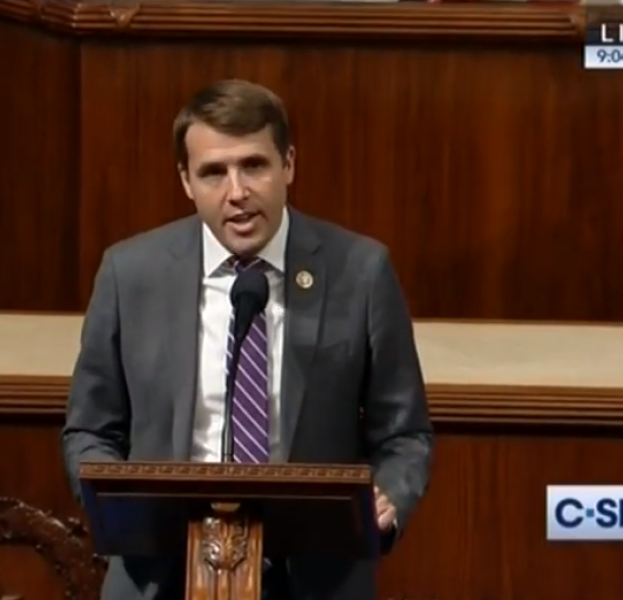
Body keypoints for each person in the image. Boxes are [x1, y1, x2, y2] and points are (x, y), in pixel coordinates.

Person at [62, 78, 433, 600]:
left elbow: (404, 434)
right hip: (161, 572)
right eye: (213, 172)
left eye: (253, 165)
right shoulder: (130, 273)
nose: (237, 192)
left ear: (289, 166)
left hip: (312, 576)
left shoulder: (361, 271)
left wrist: (389, 497)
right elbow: (89, 430)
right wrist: (126, 512)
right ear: (186, 182)